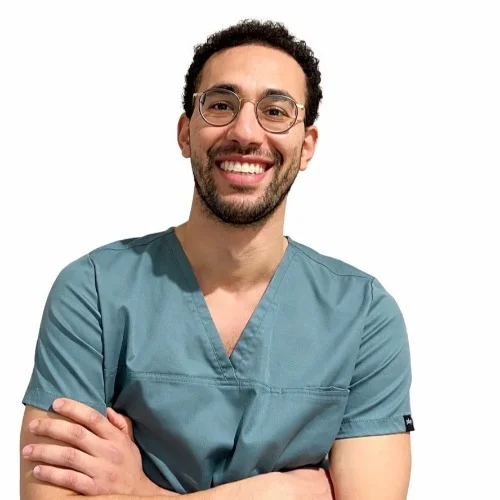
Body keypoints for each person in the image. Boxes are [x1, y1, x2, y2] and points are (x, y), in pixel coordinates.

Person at [19, 19, 414, 499]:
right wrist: (290, 492)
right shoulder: (93, 292)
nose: (245, 131)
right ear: (186, 133)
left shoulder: (364, 315)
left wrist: (141, 492)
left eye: (275, 111)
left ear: (306, 147)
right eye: (221, 105)